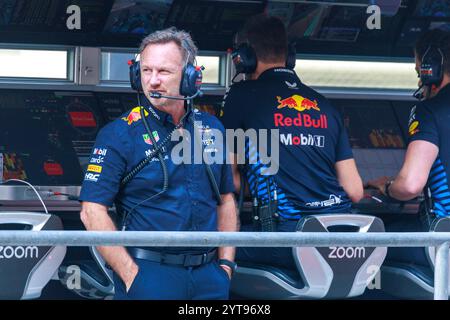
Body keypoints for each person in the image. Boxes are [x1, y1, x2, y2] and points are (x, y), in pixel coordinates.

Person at [79, 27, 238, 300]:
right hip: (149, 273)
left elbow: (226, 200)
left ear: (191, 76)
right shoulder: (119, 134)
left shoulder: (213, 129)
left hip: (210, 276)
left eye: (163, 72)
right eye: (145, 71)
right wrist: (130, 275)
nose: (152, 81)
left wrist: (225, 266)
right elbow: (91, 212)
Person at [221, 14, 363, 270]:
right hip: (342, 240)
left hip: (285, 239)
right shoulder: (325, 104)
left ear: (245, 56)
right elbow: (354, 191)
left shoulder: (240, 96)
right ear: (289, 56)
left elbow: (229, 179)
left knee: (206, 249)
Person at [367, 29, 450, 265]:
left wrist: (388, 187)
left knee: (368, 245)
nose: (420, 79)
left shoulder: (429, 110)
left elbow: (410, 185)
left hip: (443, 245)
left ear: (431, 68)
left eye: (419, 72)